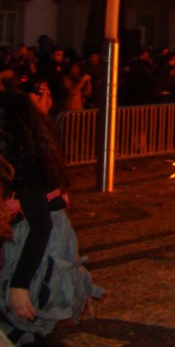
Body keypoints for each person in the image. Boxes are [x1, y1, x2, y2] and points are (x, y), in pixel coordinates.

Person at [0, 90, 102, 345]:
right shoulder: (27, 156)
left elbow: (40, 225)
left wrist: (19, 285)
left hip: (37, 248)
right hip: (33, 243)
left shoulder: (23, 166)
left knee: (24, 326)